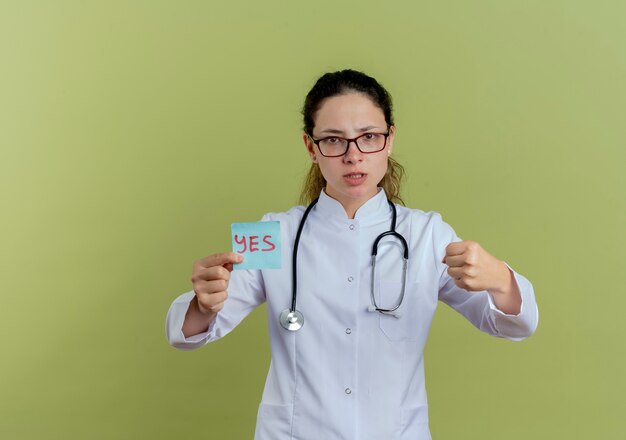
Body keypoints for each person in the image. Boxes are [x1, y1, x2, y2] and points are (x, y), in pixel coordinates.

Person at [165, 69, 539, 440]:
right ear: (311, 147)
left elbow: (514, 325)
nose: (353, 155)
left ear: (390, 139)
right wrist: (205, 303)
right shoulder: (273, 233)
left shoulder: (427, 235)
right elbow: (188, 333)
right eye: (333, 140)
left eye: (369, 137)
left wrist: (501, 280)